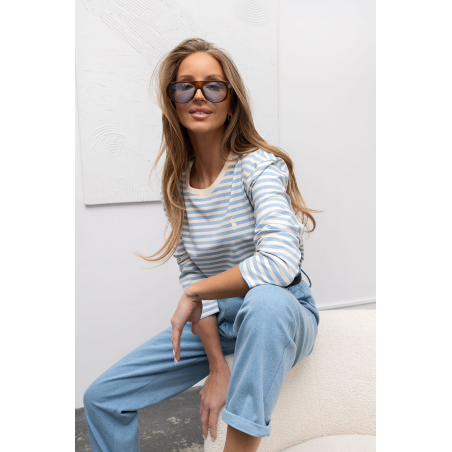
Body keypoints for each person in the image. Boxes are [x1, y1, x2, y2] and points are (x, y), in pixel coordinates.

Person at [83, 37, 321, 452]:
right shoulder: (177, 185)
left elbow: (280, 263)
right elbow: (193, 273)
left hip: (281, 312)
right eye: (185, 86)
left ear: (232, 101)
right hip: (222, 320)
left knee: (265, 300)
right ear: (171, 101)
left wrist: (196, 292)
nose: (198, 95)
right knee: (102, 399)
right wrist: (216, 365)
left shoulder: (260, 167)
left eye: (213, 86)